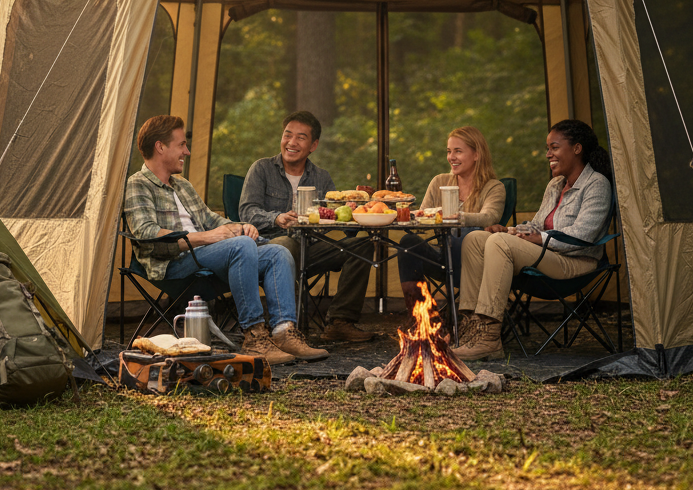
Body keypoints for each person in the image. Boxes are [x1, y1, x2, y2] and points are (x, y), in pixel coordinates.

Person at [124, 115, 328, 366]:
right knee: (241, 246)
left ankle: (284, 332)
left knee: (278, 252)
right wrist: (208, 237)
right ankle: (254, 336)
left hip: (205, 258)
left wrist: (240, 227)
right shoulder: (138, 184)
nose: (187, 152)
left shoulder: (182, 186)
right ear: (160, 147)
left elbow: (211, 219)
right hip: (172, 265)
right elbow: (145, 234)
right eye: (182, 145)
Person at [451, 119, 613, 362]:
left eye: (554, 148)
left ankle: (489, 339)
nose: (548, 154)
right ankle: (470, 329)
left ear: (577, 149)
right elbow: (537, 224)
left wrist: (538, 238)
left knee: (499, 243)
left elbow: (583, 235)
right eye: (548, 148)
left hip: (574, 261)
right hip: (548, 255)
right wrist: (509, 230)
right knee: (476, 239)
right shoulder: (556, 184)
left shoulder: (597, 184)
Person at [238, 111, 375, 343]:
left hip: (311, 247)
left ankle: (340, 322)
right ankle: (287, 326)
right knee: (285, 244)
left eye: (300, 138)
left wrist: (356, 208)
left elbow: (335, 218)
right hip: (270, 246)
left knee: (362, 245)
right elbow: (246, 211)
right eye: (287, 135)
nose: (291, 142)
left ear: (313, 145)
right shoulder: (261, 169)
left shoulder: (321, 177)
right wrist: (276, 218)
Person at [396, 126, 506, 317]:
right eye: (449, 151)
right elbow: (422, 216)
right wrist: (401, 212)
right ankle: (422, 317)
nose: (451, 157)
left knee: (463, 235)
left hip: (476, 264)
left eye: (458, 151)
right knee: (408, 243)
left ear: (477, 155)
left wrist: (457, 218)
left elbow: (490, 216)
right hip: (444, 260)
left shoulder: (493, 187)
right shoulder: (440, 181)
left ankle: (468, 314)